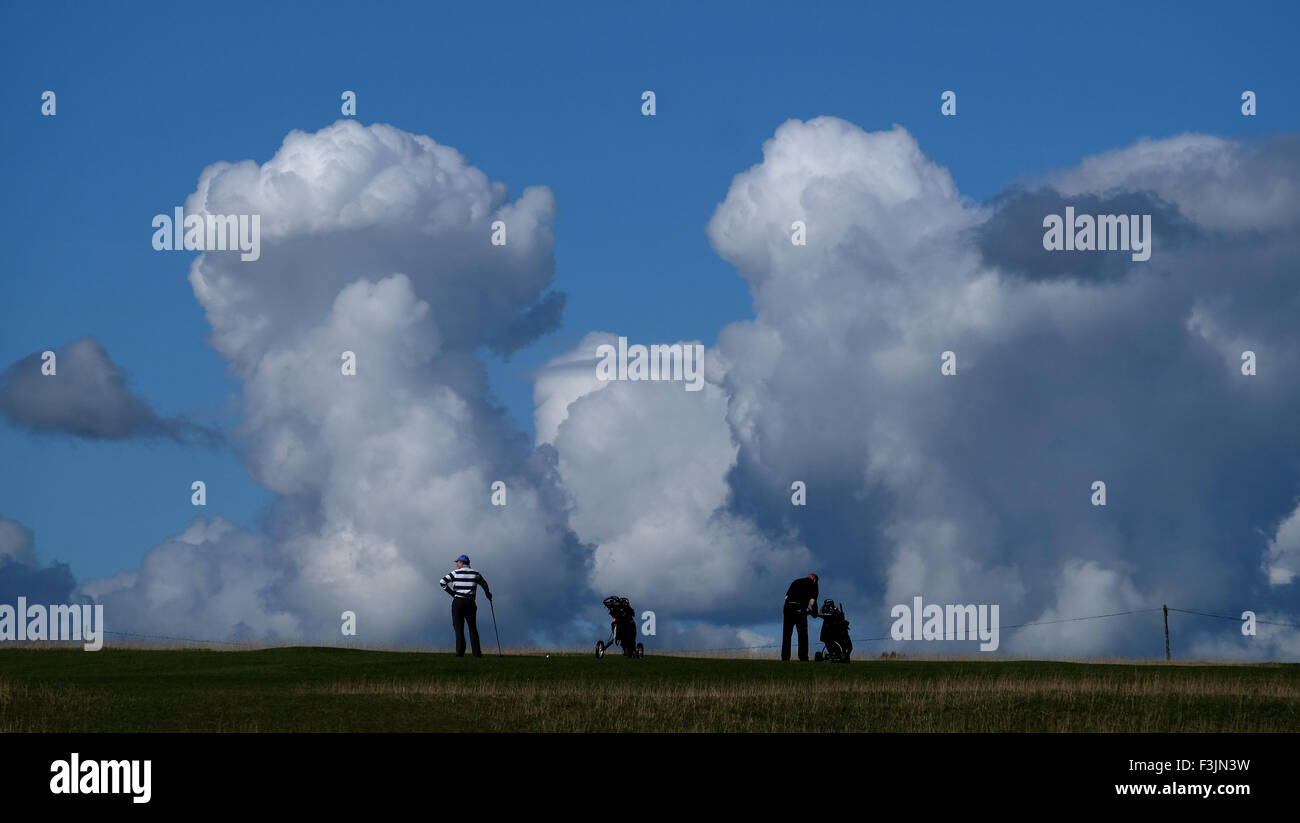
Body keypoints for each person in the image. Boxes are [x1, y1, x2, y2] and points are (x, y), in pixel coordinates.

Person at [439, 554, 492, 657]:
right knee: (472, 628)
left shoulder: (455, 573)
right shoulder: (475, 573)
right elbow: (484, 584)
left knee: (458, 628)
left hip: (458, 601)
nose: (457, 564)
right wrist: (488, 594)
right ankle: (476, 653)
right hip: (470, 602)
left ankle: (460, 652)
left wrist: (452, 593)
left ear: (462, 563)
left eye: (458, 562)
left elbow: (442, 582)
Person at [781, 573, 819, 661]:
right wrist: (814, 613)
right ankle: (803, 657)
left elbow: (786, 597)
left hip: (788, 610)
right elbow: (812, 602)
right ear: (814, 579)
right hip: (800, 610)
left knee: (786, 635)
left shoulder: (796, 581)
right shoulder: (813, 585)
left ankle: (785, 658)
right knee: (802, 636)